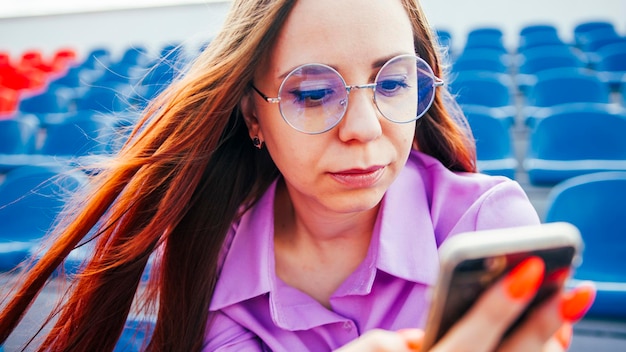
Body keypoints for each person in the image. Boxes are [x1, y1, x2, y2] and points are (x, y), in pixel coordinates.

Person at [0, 0, 596, 351]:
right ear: (253, 116)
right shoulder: (211, 249)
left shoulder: (486, 224)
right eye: (313, 93)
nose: (364, 127)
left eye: (392, 82)